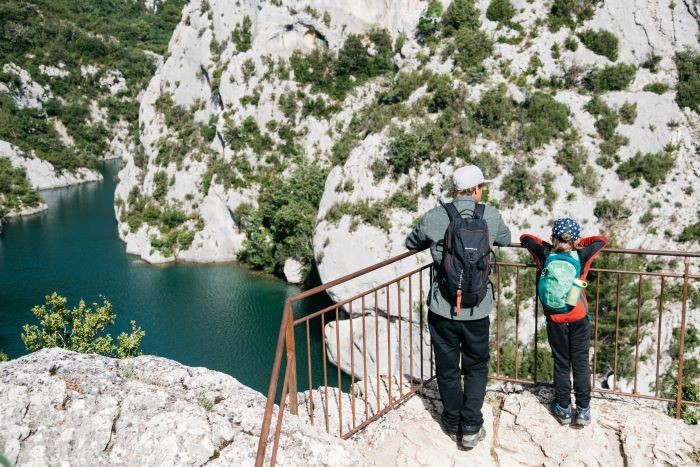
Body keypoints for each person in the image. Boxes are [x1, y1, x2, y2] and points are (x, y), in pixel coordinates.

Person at [405, 165, 511, 448]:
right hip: (477, 309)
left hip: (443, 308)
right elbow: (506, 238)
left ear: (454, 191)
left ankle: (452, 422)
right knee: (476, 367)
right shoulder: (489, 214)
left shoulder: (435, 216)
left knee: (448, 367)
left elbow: (411, 241)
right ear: (476, 190)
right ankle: (471, 428)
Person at [520, 219, 607, 426]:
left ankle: (563, 409)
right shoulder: (583, 254)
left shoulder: (544, 253)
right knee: (580, 363)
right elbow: (602, 240)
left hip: (555, 318)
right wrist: (579, 243)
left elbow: (525, 238)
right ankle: (584, 411)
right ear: (575, 239)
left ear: (553, 237)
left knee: (561, 363)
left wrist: (549, 244)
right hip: (577, 315)